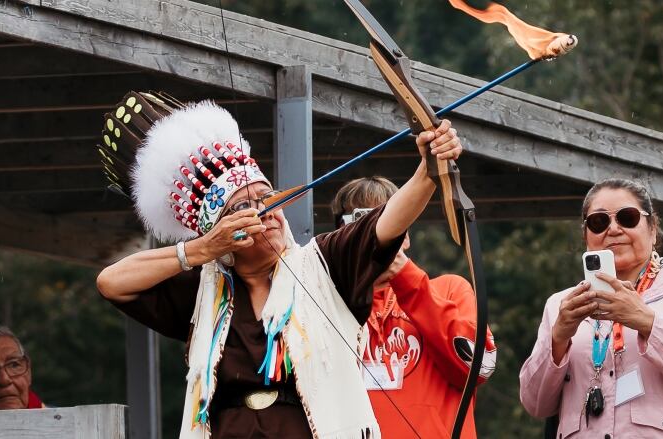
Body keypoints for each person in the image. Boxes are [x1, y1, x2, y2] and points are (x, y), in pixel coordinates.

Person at [95, 91, 463, 439]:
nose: (266, 211)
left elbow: (387, 223)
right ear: (222, 232)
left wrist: (428, 171)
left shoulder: (324, 263)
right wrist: (202, 249)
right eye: (244, 208)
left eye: (268, 196)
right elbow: (112, 282)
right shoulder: (205, 290)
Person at [519, 178, 663, 438]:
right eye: (599, 222)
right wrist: (558, 338)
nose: (613, 229)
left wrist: (647, 322)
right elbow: (535, 404)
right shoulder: (562, 305)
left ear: (653, 229)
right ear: (586, 234)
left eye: (628, 218)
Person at [331, 177, 496, 439]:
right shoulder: (329, 301)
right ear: (340, 236)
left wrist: (405, 277)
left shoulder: (449, 290)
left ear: (406, 234)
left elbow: (481, 366)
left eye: (387, 220)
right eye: (361, 222)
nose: (374, 233)